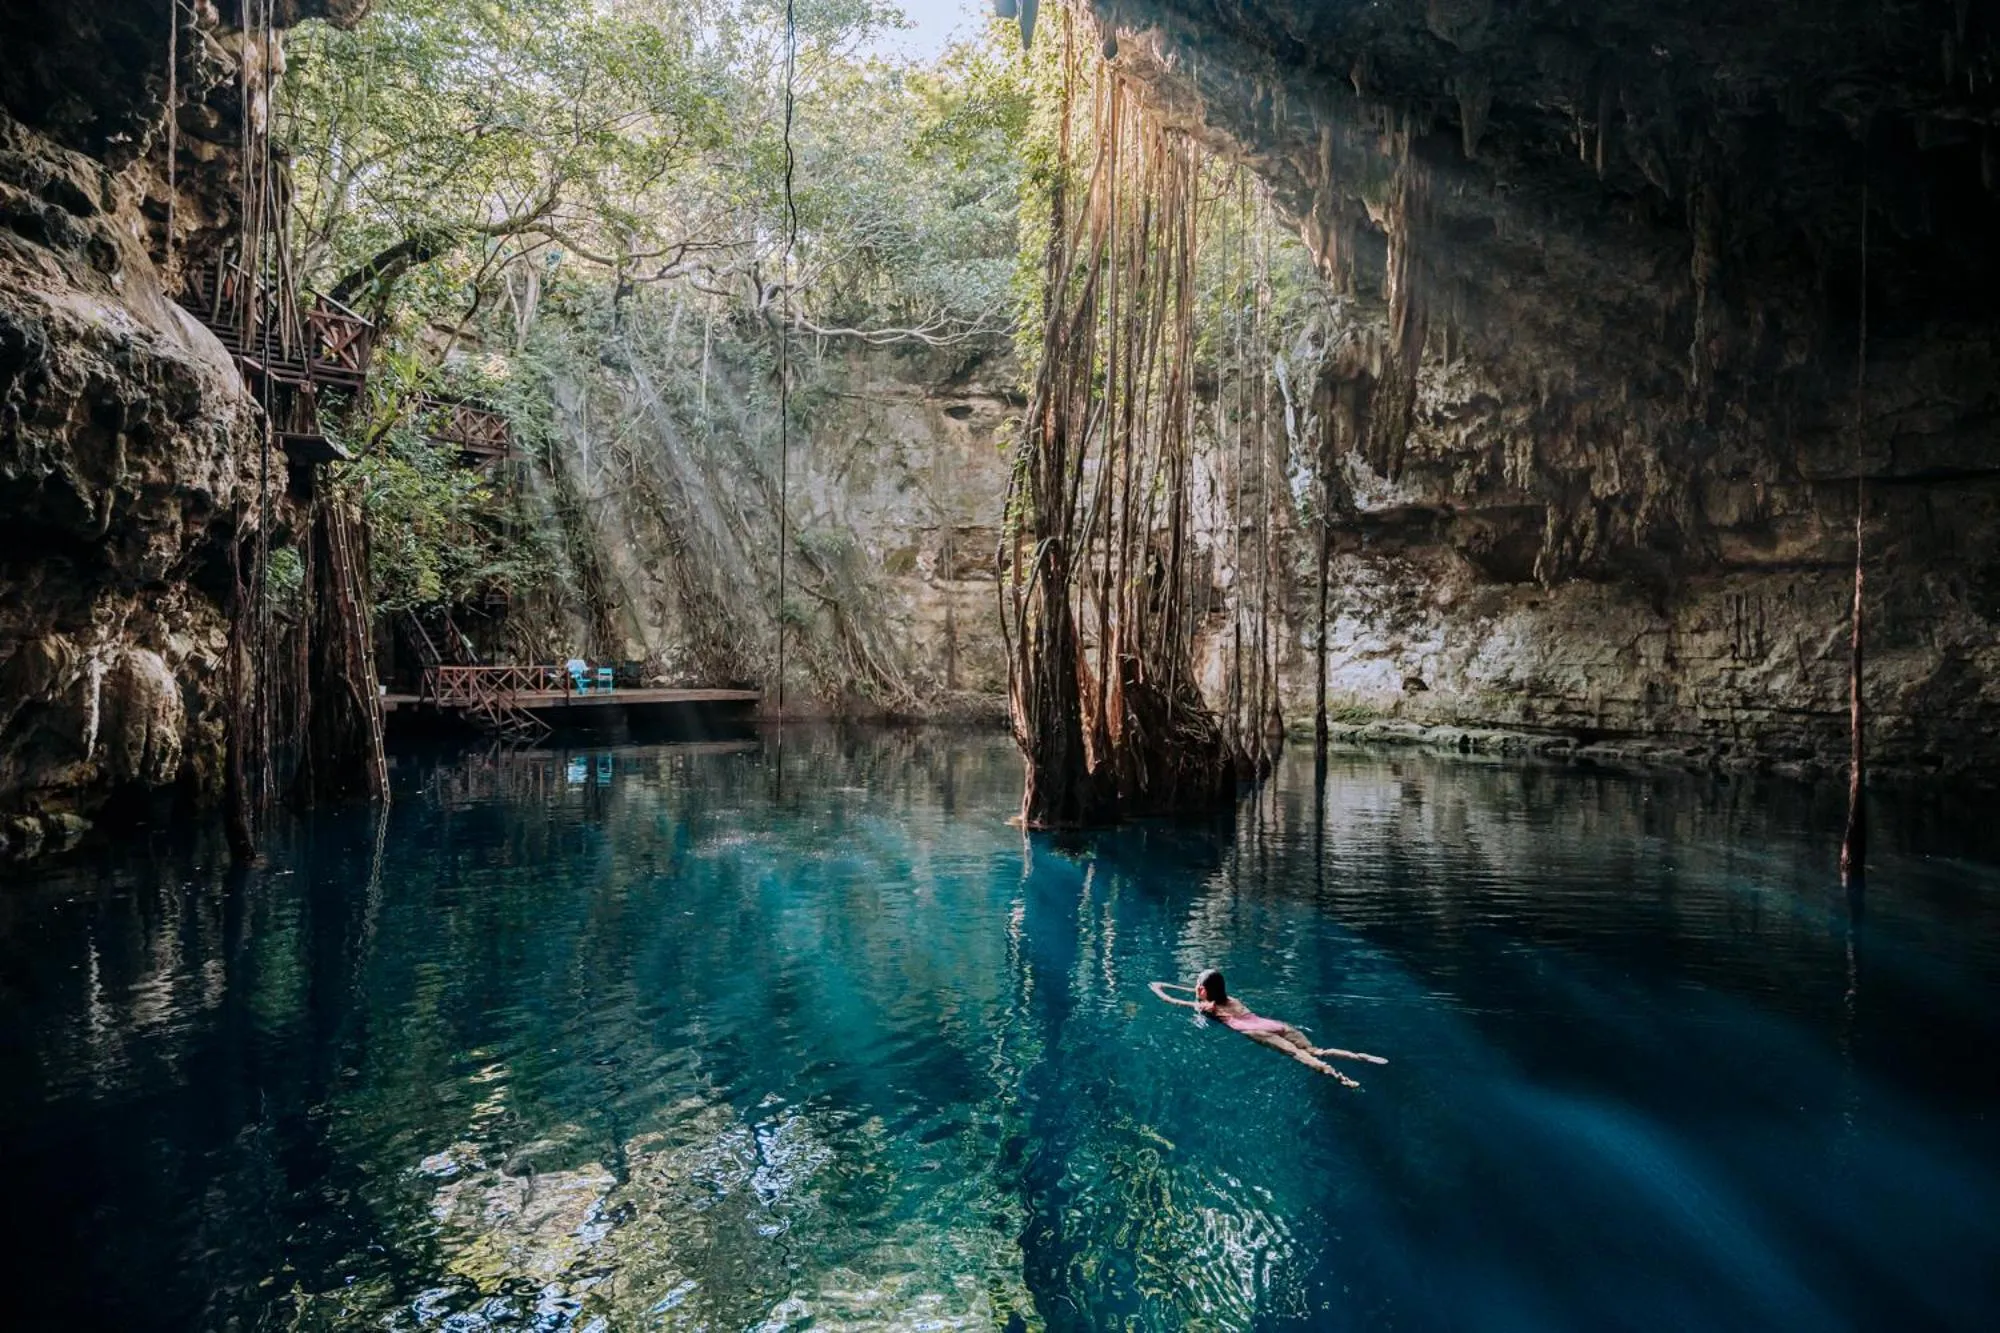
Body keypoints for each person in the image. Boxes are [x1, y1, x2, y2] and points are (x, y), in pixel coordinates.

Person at [1149, 969, 1385, 1088]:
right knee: (1317, 1051)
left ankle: (1342, 1080)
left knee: (1299, 1056)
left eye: (1198, 986)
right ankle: (1360, 1057)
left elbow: (1170, 999)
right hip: (1273, 1024)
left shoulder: (1208, 1008)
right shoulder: (1231, 999)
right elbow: (1206, 991)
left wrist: (1157, 986)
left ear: (1202, 991)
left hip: (1255, 1032)